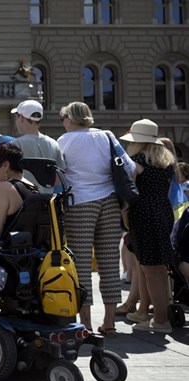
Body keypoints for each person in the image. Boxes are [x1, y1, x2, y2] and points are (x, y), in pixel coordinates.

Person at [57, 101, 131, 337]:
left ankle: (85, 324)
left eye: (64, 118)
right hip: (109, 201)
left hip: (79, 203)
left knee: (80, 266)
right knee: (109, 262)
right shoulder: (107, 136)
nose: (63, 122)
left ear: (70, 118)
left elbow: (57, 176)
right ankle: (109, 323)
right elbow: (128, 167)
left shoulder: (64, 141)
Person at [119, 120, 175, 333]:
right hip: (162, 211)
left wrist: (125, 219)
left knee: (149, 270)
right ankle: (159, 316)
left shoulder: (136, 162)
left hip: (143, 216)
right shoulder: (166, 161)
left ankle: (161, 321)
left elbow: (129, 195)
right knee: (159, 269)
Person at [9, 100, 65, 194]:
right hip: (47, 202)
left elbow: (7, 174)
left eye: (17, 117)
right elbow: (59, 177)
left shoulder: (16, 144)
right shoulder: (54, 144)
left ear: (21, 118)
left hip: (23, 200)